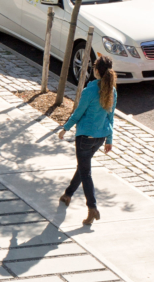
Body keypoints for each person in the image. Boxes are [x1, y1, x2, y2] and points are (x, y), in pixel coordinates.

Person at [57, 55, 118, 225]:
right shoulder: (112, 91)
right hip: (100, 137)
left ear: (97, 71)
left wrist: (65, 128)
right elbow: (111, 116)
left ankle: (92, 208)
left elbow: (78, 113)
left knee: (85, 172)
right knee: (83, 166)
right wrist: (109, 139)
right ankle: (68, 194)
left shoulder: (90, 90)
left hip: (85, 137)